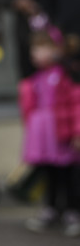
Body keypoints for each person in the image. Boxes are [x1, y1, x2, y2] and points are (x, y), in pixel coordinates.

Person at [18, 20, 80, 236]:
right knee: (49, 173)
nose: (35, 53)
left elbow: (75, 104)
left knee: (67, 174)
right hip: (45, 137)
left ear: (56, 50)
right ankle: (51, 208)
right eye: (33, 49)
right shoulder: (35, 79)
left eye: (40, 48)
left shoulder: (65, 76)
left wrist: (77, 132)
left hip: (61, 135)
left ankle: (73, 210)